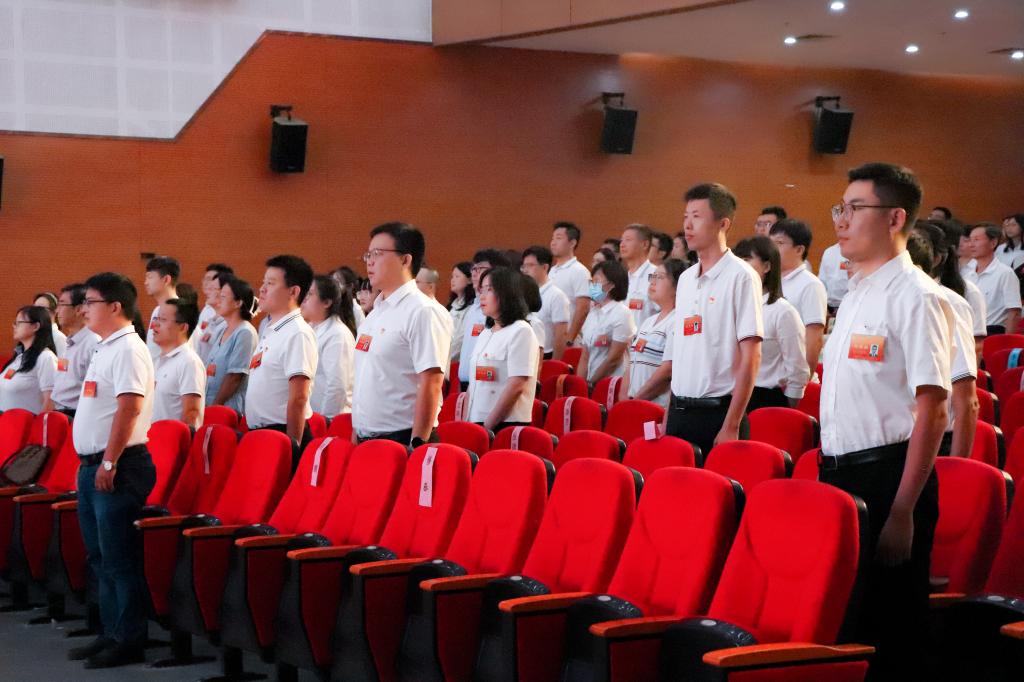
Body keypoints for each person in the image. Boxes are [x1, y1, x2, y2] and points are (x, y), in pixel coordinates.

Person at [819, 162, 952, 681]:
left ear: (895, 218)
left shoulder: (916, 297)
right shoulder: (857, 292)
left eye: (855, 208)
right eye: (840, 208)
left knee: (890, 629)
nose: (841, 220)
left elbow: (934, 409)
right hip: (839, 473)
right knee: (847, 623)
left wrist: (902, 510)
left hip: (889, 477)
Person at [69, 271, 156, 669]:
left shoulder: (129, 349)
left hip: (119, 466)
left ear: (116, 306)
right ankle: (110, 632)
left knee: (119, 559)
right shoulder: (105, 347)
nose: (83, 309)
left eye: (90, 302)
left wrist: (109, 460)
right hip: (93, 466)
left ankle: (130, 639)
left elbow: (130, 407)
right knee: (100, 557)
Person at [660, 183, 763, 459]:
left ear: (723, 223)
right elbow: (681, 354)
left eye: (697, 217)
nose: (687, 225)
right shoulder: (685, 279)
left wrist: (731, 424)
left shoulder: (741, 276)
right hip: (680, 411)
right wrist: (668, 415)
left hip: (718, 414)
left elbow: (751, 355)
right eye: (685, 217)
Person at [351, 222, 452, 446]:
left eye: (377, 254)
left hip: (403, 438)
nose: (369, 261)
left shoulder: (422, 311)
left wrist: (417, 443)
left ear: (405, 260)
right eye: (368, 255)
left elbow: (431, 382)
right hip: (365, 437)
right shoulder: (374, 314)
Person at [907, 228, 978, 459]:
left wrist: (957, 466)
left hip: (934, 439)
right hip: (893, 444)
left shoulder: (946, 302)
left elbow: (966, 400)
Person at [246, 255, 318, 464]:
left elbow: (299, 398)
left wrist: (292, 447)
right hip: (262, 434)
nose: (262, 289)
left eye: (270, 283)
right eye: (263, 282)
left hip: (283, 435)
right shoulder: (271, 330)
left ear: (293, 292)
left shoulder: (297, 332)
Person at [734, 237, 809, 411]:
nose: (740, 266)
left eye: (746, 260)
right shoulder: (733, 306)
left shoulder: (782, 311)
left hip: (765, 398)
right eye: (738, 260)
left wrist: (787, 407)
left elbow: (797, 369)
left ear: (767, 267)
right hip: (731, 393)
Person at [466, 267, 539, 432]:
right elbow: (473, 383)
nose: (482, 296)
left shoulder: (521, 331)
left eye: (489, 289)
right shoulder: (486, 333)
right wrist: (467, 423)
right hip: (476, 421)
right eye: (482, 290)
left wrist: (488, 426)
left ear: (507, 293)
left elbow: (516, 385)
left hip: (504, 426)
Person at [624, 258, 685, 408]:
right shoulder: (648, 321)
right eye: (652, 276)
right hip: (634, 403)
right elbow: (632, 363)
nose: (652, 281)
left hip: (656, 407)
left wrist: (637, 399)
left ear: (677, 287)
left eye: (660, 277)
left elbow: (667, 370)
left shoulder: (677, 321)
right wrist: (625, 400)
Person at [770, 219, 828, 373]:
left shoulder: (811, 285)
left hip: (793, 376)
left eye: (779, 243)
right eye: (770, 242)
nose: (771, 249)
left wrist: (803, 379)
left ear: (799, 250)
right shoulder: (769, 282)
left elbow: (814, 339)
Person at [301, 275, 356, 418]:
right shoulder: (310, 328)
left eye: (310, 294)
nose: (304, 299)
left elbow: (337, 387)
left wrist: (325, 421)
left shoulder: (337, 334)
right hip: (311, 416)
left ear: (326, 302)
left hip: (329, 419)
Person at [457, 249, 510, 391]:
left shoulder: (497, 311)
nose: (474, 273)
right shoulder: (473, 308)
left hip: (485, 385)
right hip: (466, 383)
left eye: (480, 269)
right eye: (473, 269)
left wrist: (476, 381)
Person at [205, 274, 258, 415]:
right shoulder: (222, 328)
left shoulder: (245, 332)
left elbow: (235, 376)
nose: (218, 301)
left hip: (228, 410)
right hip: (209, 404)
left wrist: (215, 407)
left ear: (237, 303)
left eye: (223, 297)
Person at [150, 296, 205, 430]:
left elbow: (191, 413)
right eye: (156, 319)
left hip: (171, 441)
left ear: (183, 327)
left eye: (162, 320)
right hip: (152, 438)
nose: (154, 325)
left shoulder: (189, 362)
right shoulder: (158, 360)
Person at [577, 260, 635, 386]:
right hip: (590, 382)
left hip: (612, 383)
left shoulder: (622, 313)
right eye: (591, 282)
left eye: (596, 281)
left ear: (611, 285)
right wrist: (580, 385)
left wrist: (592, 383)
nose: (592, 286)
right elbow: (585, 356)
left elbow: (613, 359)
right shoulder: (593, 312)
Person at [51, 283, 101, 419]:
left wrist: (83, 415)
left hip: (75, 414)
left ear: (78, 309)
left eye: (62, 304)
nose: (57, 311)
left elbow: (94, 385)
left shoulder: (92, 343)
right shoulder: (69, 342)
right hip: (58, 411)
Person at [963, 223, 1022, 335]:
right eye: (970, 240)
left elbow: (1014, 312)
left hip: (992, 332)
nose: (971, 244)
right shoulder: (967, 274)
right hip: (968, 332)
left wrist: (1006, 341)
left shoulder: (1005, 273)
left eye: (976, 240)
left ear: (993, 243)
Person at [0, 305, 58, 413]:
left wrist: (40, 423)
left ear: (35, 326)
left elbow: (50, 401)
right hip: (6, 420)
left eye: (19, 322)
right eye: (15, 323)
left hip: (28, 421)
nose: (14, 326)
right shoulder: (19, 356)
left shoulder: (46, 358)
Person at [521, 245, 570, 360]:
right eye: (524, 266)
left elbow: (561, 335)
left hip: (546, 356)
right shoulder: (522, 293)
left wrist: (555, 364)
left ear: (544, 267)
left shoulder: (556, 296)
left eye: (530, 265)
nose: (525, 270)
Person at [549, 221, 592, 345]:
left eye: (558, 238)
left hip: (568, 341)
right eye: (552, 238)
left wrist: (569, 339)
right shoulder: (552, 270)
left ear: (572, 243)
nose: (553, 242)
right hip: (550, 340)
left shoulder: (580, 271)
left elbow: (583, 308)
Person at [191, 263, 233, 364]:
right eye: (205, 279)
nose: (207, 284)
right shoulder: (207, 309)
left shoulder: (227, 321)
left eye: (210, 279)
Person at [619, 223, 659, 328]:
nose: (622, 244)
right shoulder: (621, 277)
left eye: (628, 240)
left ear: (645, 244)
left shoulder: (656, 275)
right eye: (621, 240)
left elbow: (665, 311)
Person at [142, 256, 180, 359]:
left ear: (166, 279)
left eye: (150, 277)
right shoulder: (157, 310)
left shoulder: (181, 312)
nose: (146, 283)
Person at [447, 262, 475, 363]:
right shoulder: (452, 306)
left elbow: (461, 339)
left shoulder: (471, 308)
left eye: (457, 276)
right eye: (452, 277)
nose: (453, 280)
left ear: (470, 280)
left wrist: (444, 357)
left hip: (456, 360)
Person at [818, 241, 851, 314]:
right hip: (829, 308)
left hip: (849, 307)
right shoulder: (828, 252)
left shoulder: (858, 251)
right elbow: (821, 282)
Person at [331, 264, 366, 330]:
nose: (333, 286)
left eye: (337, 282)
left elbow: (363, 333)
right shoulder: (328, 305)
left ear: (349, 286)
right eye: (332, 281)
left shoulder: (356, 310)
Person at [34, 292, 67, 357]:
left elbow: (63, 362)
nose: (36, 312)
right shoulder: (33, 336)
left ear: (55, 310)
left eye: (41, 309)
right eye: (34, 309)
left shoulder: (59, 338)